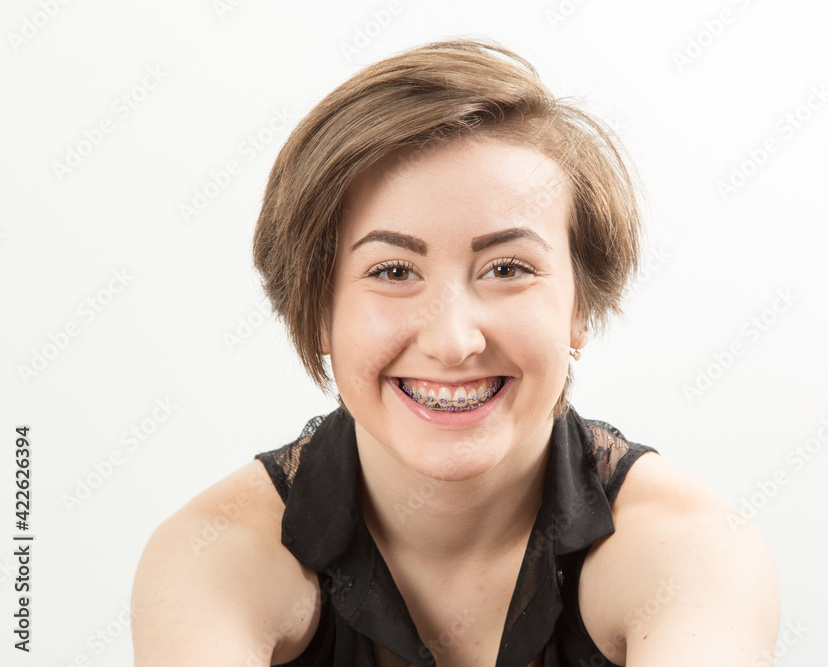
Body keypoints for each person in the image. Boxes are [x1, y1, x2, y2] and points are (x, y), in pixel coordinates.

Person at [131, 38, 780, 666]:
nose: (452, 341)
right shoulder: (212, 555)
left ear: (580, 309)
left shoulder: (693, 549)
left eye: (507, 268)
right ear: (318, 311)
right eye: (392, 271)